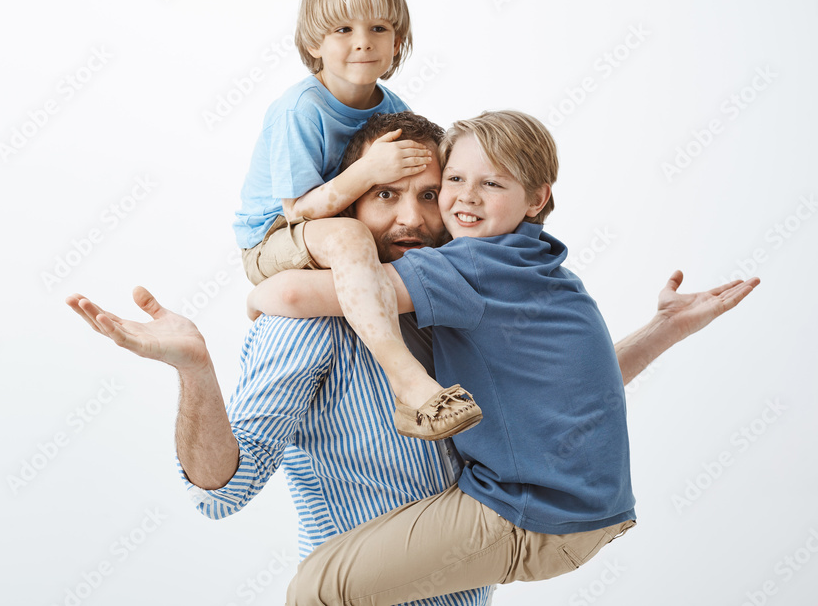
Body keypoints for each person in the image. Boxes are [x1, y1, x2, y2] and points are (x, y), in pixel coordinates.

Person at [65, 112, 759, 606]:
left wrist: (660, 332)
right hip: (414, 573)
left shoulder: (453, 290)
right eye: (385, 194)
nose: (416, 216)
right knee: (312, 591)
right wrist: (196, 369)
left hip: (504, 550)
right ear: (347, 206)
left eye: (430, 194)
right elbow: (221, 494)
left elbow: (552, 396)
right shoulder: (314, 329)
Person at [254, 110, 717, 603]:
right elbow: (579, 390)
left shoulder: (471, 266)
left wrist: (255, 294)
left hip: (532, 514)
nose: (467, 197)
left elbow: (295, 295)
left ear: (537, 199)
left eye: (492, 183)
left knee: (319, 586)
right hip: (589, 510)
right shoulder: (545, 265)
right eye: (454, 179)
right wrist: (664, 330)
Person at [234, 0, 480, 440]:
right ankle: (407, 380)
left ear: (397, 42)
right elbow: (299, 210)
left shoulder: (394, 108)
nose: (363, 41)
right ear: (314, 43)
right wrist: (369, 171)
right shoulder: (300, 110)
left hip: (342, 233)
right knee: (349, 235)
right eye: (343, 29)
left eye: (378, 28)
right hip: (275, 237)